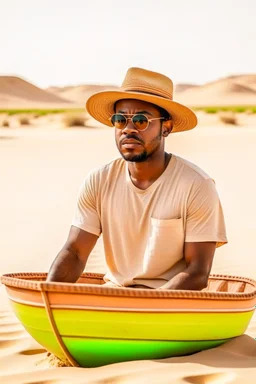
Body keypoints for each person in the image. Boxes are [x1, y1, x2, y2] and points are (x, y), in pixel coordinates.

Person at [47, 67, 227, 290]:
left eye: (141, 120)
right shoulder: (99, 181)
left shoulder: (196, 185)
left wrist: (145, 308)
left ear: (166, 127)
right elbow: (75, 252)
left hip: (171, 306)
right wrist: (49, 296)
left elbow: (197, 272)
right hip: (115, 298)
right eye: (120, 120)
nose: (128, 129)